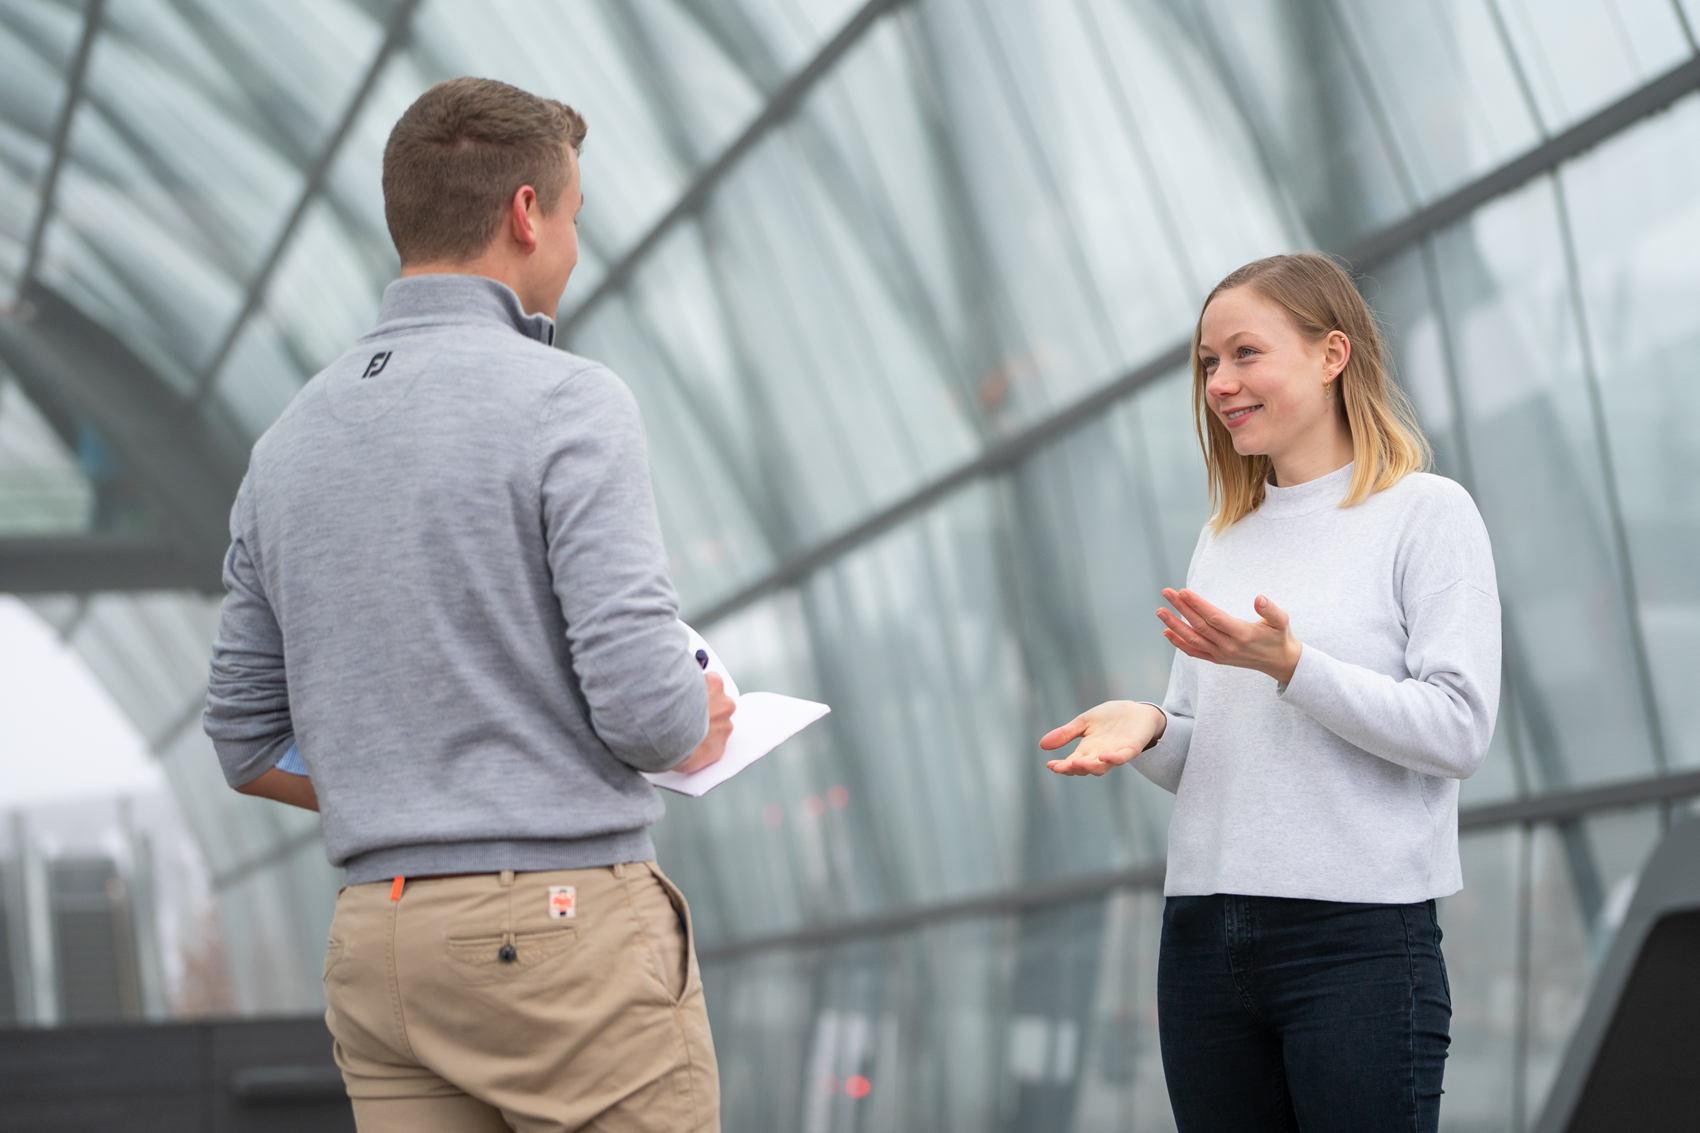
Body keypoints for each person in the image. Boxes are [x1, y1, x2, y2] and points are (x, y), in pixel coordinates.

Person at [202, 77, 734, 1133]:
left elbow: (244, 736)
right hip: (558, 935)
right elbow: (645, 712)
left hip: (380, 948)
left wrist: (396, 787)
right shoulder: (567, 400)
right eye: (574, 217)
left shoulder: (287, 445)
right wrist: (698, 712)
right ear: (525, 212)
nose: (574, 250)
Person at [1040, 253, 1499, 1132]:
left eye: (1246, 353)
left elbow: (1459, 729)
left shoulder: (1427, 515)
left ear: (1333, 355)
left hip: (1356, 942)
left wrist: (1296, 667)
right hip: (1204, 939)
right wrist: (1148, 729)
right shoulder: (1224, 537)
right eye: (1209, 363)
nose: (1221, 382)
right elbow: (1207, 751)